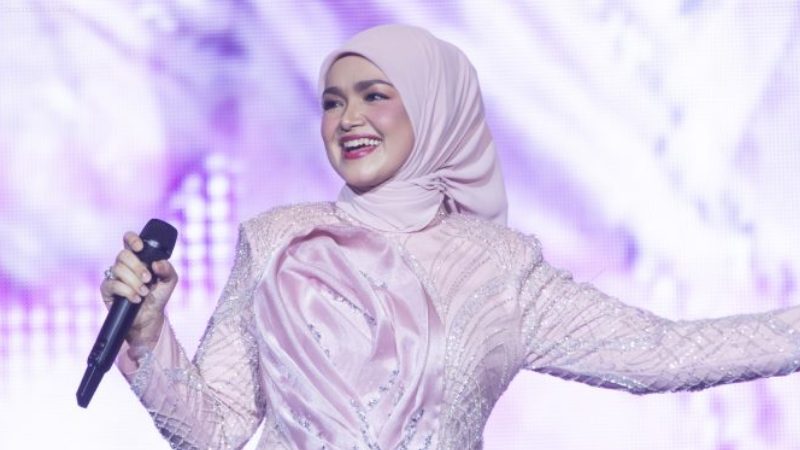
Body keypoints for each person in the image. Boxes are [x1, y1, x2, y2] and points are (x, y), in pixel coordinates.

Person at [99, 24, 800, 449]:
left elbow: (661, 354)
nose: (348, 118)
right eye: (333, 102)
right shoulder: (274, 241)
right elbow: (215, 434)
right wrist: (149, 336)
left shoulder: (502, 269)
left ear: (433, 107)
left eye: (376, 95)